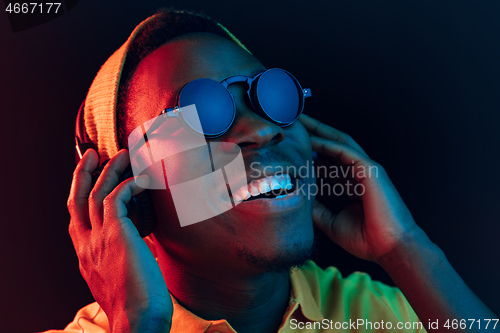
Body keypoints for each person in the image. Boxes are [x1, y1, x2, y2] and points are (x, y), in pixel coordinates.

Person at [42, 9, 497, 333]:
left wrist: (405, 247)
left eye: (269, 95)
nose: (261, 129)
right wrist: (138, 326)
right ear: (128, 193)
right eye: (200, 112)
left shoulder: (386, 312)